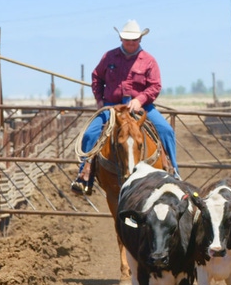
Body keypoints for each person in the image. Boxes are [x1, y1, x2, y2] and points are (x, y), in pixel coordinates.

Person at [71, 19, 180, 194]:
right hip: (112, 107)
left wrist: (140, 99)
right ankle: (85, 174)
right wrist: (100, 101)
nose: (130, 43)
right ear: (121, 39)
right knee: (91, 133)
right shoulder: (109, 57)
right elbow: (96, 78)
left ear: (140, 40)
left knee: (166, 130)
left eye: (134, 40)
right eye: (127, 40)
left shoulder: (149, 61)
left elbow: (155, 86)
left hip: (141, 107)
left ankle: (174, 172)